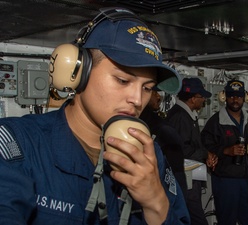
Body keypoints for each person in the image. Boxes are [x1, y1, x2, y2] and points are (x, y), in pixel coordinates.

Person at [0, 7, 190, 225]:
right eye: (122, 80)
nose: (137, 100)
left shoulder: (149, 154)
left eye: (147, 88)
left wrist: (156, 204)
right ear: (78, 73)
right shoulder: (18, 144)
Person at [201, 79, 248, 225]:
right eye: (231, 96)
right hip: (226, 182)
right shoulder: (215, 122)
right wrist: (226, 150)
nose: (235, 100)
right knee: (227, 221)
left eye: (239, 96)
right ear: (224, 97)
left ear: (245, 98)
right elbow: (205, 147)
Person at [166, 77, 211, 225]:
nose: (203, 100)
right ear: (193, 99)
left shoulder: (185, 115)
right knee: (195, 216)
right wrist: (205, 154)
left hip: (189, 178)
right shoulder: (180, 117)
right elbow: (183, 149)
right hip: (185, 179)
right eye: (201, 97)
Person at [139, 88, 188, 195]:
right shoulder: (147, 123)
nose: (159, 97)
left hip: (171, 175)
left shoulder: (158, 123)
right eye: (155, 92)